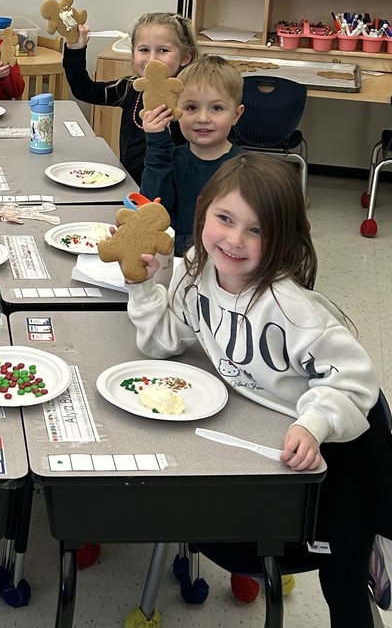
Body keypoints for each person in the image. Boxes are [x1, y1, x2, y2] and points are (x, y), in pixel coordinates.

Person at [126, 153, 392, 628]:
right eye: (225, 219)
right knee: (229, 539)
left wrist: (315, 424)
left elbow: (354, 381)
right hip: (265, 433)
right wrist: (149, 288)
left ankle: (367, 544)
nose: (234, 240)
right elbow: (165, 341)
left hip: (338, 447)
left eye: (257, 230)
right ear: (203, 210)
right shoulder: (194, 273)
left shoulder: (294, 311)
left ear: (284, 238)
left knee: (342, 582)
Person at [62, 11, 198, 185]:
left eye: (163, 50)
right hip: (130, 190)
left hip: (173, 194)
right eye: (144, 50)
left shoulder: (192, 100)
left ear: (186, 57)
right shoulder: (129, 88)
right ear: (133, 54)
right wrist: (75, 50)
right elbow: (84, 90)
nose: (152, 59)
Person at [140, 55, 244, 255]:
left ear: (236, 115)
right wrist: (156, 143)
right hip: (172, 262)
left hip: (223, 265)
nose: (203, 118)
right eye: (191, 108)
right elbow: (152, 208)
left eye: (217, 108)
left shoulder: (246, 169)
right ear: (176, 110)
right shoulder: (166, 158)